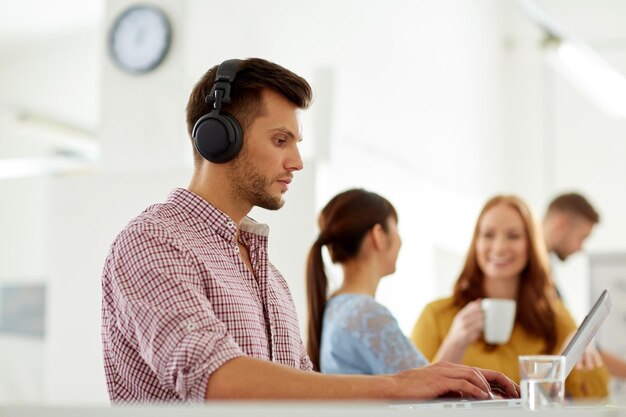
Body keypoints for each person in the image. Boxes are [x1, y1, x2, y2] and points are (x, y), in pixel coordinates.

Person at [101, 58, 519, 402]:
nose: (297, 161)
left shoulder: (270, 278)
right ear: (218, 139)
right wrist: (398, 385)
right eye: (281, 140)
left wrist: (440, 389)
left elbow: (307, 400)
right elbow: (215, 381)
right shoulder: (153, 242)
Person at [411, 194, 610, 398]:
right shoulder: (436, 315)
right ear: (476, 243)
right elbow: (408, 402)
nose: (498, 247)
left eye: (513, 236)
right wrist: (453, 346)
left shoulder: (553, 317)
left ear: (530, 245)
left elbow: (597, 398)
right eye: (488, 235)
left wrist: (583, 350)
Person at [306, 189, 428, 375]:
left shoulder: (334, 307)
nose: (400, 240)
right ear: (378, 234)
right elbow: (430, 388)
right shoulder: (366, 314)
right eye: (396, 227)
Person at [544, 192, 626, 378]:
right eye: (582, 238)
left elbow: (574, 341)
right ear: (561, 224)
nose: (581, 248)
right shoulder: (533, 276)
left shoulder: (546, 273)